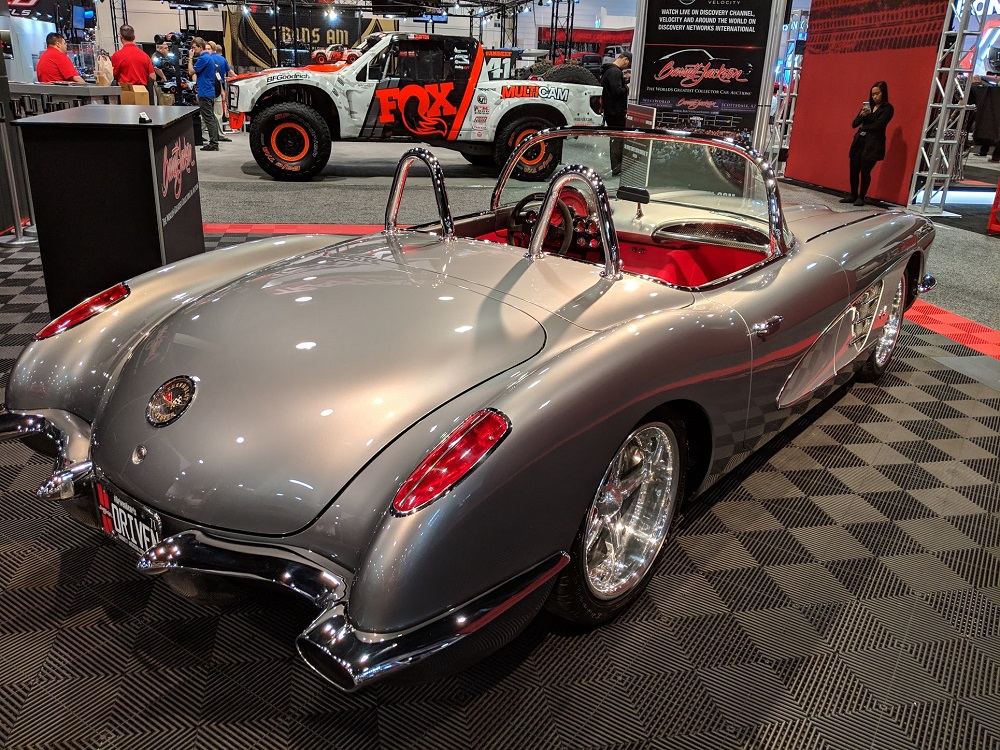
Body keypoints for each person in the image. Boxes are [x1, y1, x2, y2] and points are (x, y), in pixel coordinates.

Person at [840, 81, 894, 207]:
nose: (875, 97)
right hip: (860, 141)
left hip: (873, 144)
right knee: (853, 169)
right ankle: (853, 194)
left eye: (877, 94)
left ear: (883, 93)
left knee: (865, 170)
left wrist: (864, 127)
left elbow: (879, 125)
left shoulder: (888, 108)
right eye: (873, 94)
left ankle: (861, 196)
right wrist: (861, 115)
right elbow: (854, 124)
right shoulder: (868, 106)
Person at [601, 51, 631, 175]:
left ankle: (616, 166)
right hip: (615, 111)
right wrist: (627, 87)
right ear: (626, 60)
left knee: (615, 138)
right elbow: (617, 92)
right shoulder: (615, 72)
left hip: (609, 110)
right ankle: (618, 167)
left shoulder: (607, 70)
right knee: (618, 139)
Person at [189, 37, 221, 151]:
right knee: (211, 117)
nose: (192, 50)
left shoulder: (204, 59)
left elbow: (191, 71)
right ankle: (214, 142)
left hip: (205, 92)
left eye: (194, 48)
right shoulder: (208, 58)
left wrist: (190, 58)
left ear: (200, 47)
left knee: (208, 118)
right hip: (209, 91)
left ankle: (213, 143)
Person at [208, 41, 235, 141]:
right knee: (218, 113)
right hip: (219, 87)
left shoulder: (205, 60)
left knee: (206, 113)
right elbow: (229, 72)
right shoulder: (221, 59)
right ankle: (220, 134)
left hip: (208, 88)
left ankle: (200, 134)